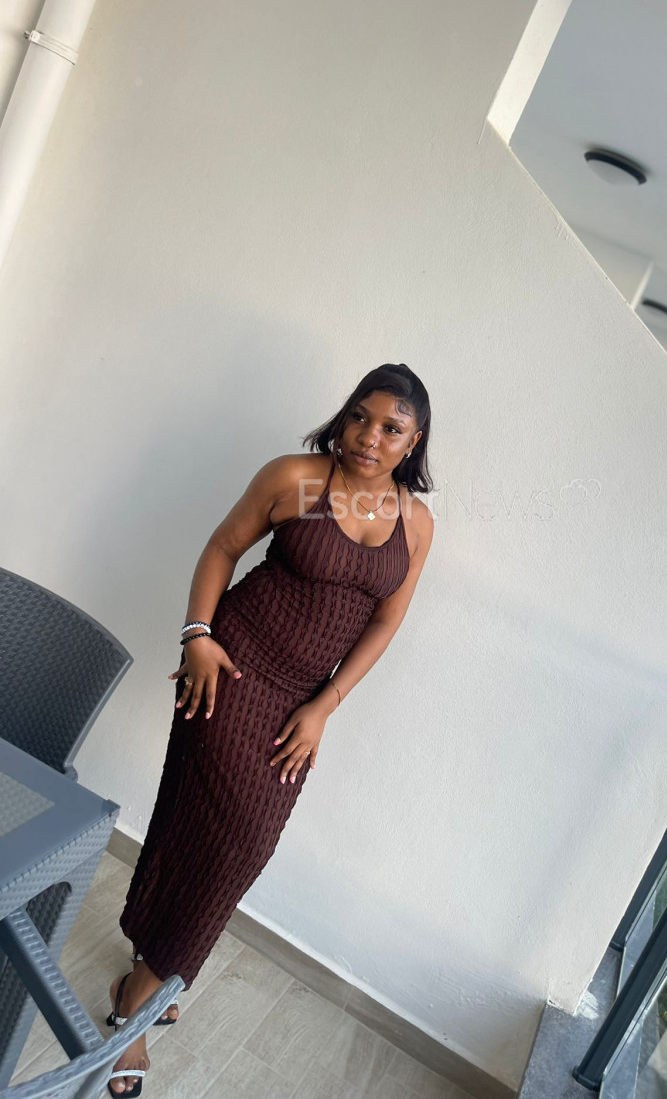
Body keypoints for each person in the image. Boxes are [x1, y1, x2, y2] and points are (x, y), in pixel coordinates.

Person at [105, 364, 434, 1096]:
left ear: (413, 442)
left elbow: (385, 622)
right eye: (360, 416)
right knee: (220, 837)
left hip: (301, 704)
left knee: (233, 847)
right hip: (232, 670)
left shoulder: (414, 524)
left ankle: (151, 966)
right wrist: (197, 635)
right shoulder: (299, 481)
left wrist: (326, 706)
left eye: (391, 428)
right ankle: (136, 1007)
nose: (369, 437)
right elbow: (223, 547)